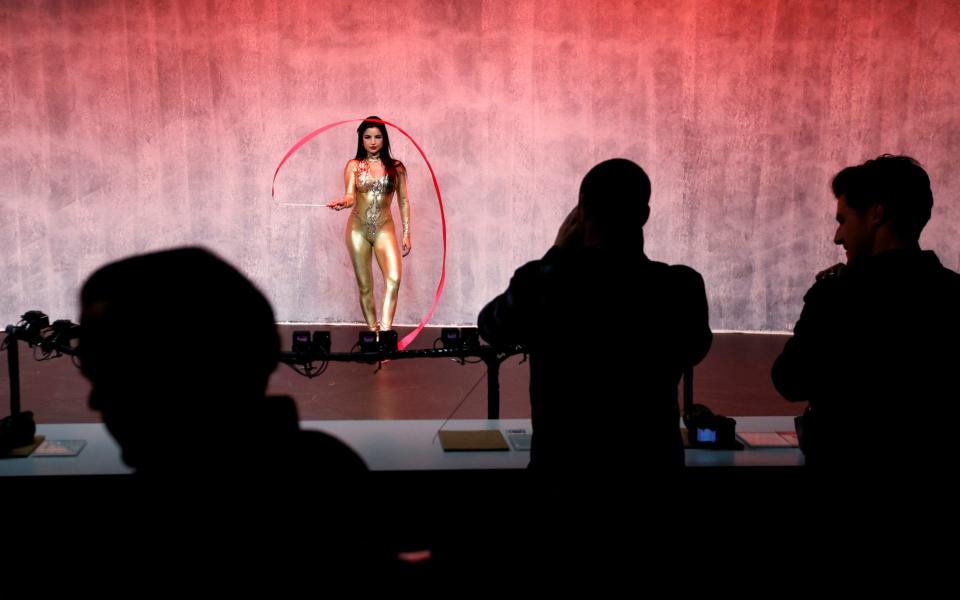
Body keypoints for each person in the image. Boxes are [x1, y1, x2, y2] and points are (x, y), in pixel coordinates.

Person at [477, 159, 712, 473]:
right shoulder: (681, 287)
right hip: (653, 471)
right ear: (643, 215)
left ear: (579, 213)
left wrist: (556, 256)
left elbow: (492, 327)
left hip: (563, 472)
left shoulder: (543, 283)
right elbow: (695, 348)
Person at [772, 155, 960, 469]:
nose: (838, 237)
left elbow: (789, 380)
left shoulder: (836, 296)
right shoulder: (953, 294)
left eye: (843, 220)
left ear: (876, 215)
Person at [327, 116, 411, 335]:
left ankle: (385, 333)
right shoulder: (354, 166)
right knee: (365, 286)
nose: (373, 142)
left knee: (393, 279)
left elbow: (403, 201)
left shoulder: (396, 167)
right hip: (358, 230)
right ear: (361, 140)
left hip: (385, 228)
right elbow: (350, 196)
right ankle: (372, 334)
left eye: (377, 137)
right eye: (367, 137)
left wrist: (407, 233)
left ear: (384, 139)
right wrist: (341, 203)